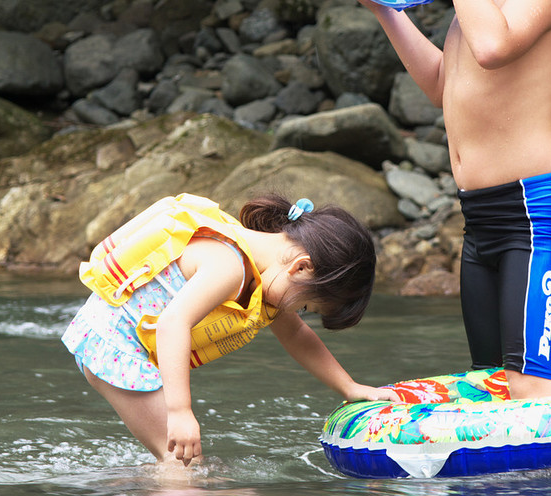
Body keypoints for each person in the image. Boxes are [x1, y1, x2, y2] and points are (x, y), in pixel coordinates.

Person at [328, 0, 551, 400]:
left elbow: (493, 47)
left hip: (535, 210)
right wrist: (384, 9)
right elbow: (445, 86)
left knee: (530, 385)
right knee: (490, 377)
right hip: (482, 217)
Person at [62, 192, 399, 466]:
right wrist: (180, 412)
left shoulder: (266, 278)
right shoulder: (229, 267)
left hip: (121, 343)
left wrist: (350, 387)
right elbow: (172, 324)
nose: (297, 312)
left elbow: (297, 336)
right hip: (115, 346)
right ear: (302, 267)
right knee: (180, 463)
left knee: (193, 467)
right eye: (307, 306)